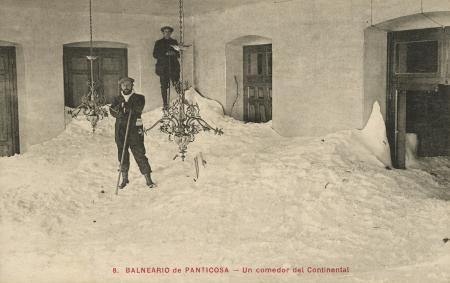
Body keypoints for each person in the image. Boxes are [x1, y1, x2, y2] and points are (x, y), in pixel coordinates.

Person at [110, 77, 156, 189]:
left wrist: (126, 107)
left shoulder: (139, 98)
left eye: (128, 84)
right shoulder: (117, 99)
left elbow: (137, 109)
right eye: (123, 84)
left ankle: (148, 179)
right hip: (120, 130)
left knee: (139, 153)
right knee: (122, 154)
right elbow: (112, 111)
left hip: (134, 130)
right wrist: (119, 110)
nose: (125, 86)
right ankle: (124, 179)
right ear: (120, 87)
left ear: (132, 85)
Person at [153, 25, 180, 109]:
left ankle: (181, 101)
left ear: (171, 33)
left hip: (173, 67)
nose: (167, 33)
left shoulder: (174, 42)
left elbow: (178, 54)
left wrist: (174, 54)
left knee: (176, 83)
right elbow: (155, 54)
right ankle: (165, 104)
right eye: (165, 32)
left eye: (168, 32)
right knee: (164, 86)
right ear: (163, 33)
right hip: (163, 68)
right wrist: (165, 54)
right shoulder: (158, 42)